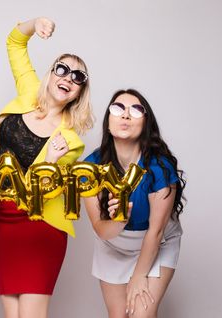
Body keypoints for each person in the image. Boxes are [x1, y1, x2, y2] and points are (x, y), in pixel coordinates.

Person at [0, 17, 94, 318]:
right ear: (50, 74)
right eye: (62, 69)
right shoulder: (27, 91)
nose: (68, 78)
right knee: (12, 314)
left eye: (78, 77)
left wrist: (49, 163)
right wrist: (35, 23)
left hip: (40, 226)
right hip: (3, 219)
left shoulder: (70, 141)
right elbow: (14, 43)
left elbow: (42, 194)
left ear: (79, 92)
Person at [84, 89, 186, 318]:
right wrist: (120, 221)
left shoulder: (159, 167)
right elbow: (100, 228)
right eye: (118, 108)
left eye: (136, 110)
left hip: (157, 242)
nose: (126, 115)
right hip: (113, 244)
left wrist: (140, 276)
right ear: (108, 123)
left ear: (145, 124)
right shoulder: (91, 167)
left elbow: (157, 230)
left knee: (142, 314)